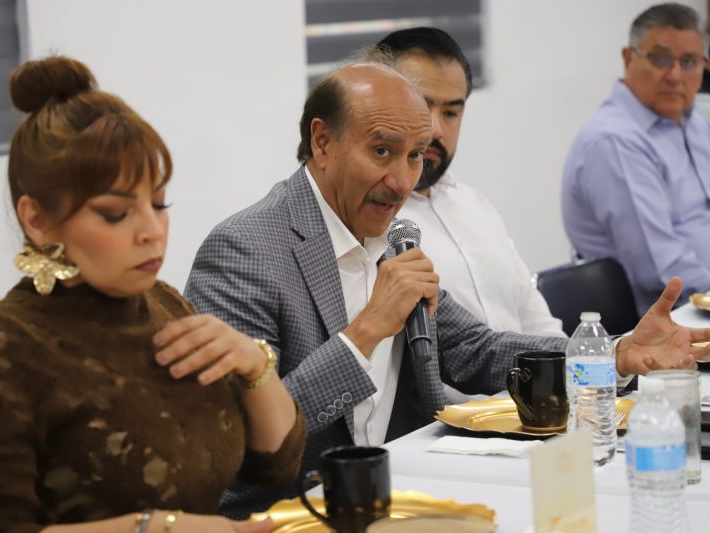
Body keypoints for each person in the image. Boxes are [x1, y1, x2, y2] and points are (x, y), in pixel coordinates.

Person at [183, 61, 710, 517]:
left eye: (415, 155)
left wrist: (613, 355)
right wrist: (367, 330)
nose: (402, 181)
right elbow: (238, 443)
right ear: (323, 142)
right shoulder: (245, 251)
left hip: (400, 496)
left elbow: (477, 350)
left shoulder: (389, 237)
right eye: (383, 151)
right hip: (285, 514)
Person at [0, 56, 305, 533]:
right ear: (37, 220)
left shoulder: (166, 306)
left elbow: (274, 465)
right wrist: (152, 528)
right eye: (115, 213)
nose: (152, 231)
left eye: (159, 203)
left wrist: (255, 365)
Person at [374, 27, 565, 338]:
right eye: (421, 105)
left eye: (451, 113)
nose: (435, 129)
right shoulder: (368, 221)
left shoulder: (474, 205)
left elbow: (539, 325)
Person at [562, 3, 710, 315]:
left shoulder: (696, 125)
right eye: (660, 58)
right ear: (628, 58)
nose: (675, 75)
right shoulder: (613, 141)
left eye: (689, 61)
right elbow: (661, 269)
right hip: (667, 320)